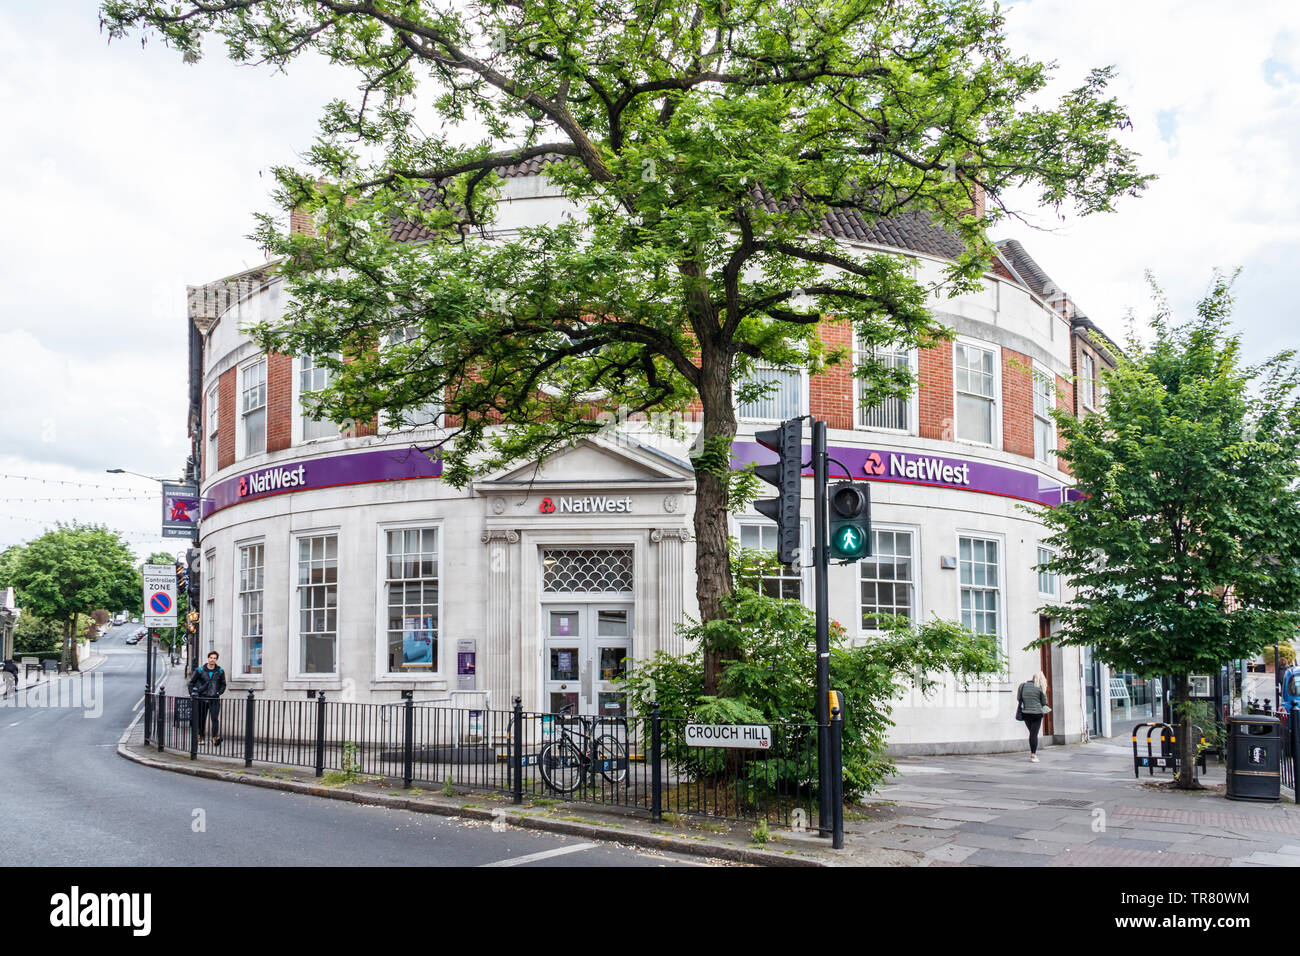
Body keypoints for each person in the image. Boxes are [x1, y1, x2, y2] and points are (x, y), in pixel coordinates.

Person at [188, 651, 227, 746]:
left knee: (214, 718)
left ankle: (214, 737)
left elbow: (223, 684)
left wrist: (219, 692)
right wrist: (193, 694)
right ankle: (201, 737)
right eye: (211, 657)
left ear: (216, 659)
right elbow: (191, 683)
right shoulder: (200, 670)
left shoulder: (220, 671)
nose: (212, 659)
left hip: (214, 699)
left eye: (214, 658)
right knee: (202, 718)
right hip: (202, 698)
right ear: (208, 658)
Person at [1018, 671, 1050, 762]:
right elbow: (1044, 702)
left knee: (1032, 733)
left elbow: (1019, 698)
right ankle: (1033, 755)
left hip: (1026, 713)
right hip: (1037, 714)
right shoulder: (1040, 687)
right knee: (1034, 734)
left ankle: (1033, 753)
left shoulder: (1022, 686)